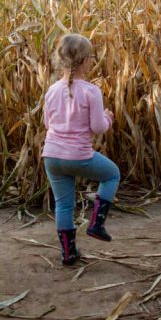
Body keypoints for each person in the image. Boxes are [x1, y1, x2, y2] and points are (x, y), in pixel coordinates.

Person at [41, 33, 120, 266]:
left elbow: (48, 124)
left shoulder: (52, 90)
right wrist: (108, 118)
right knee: (112, 174)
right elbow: (97, 127)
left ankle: (68, 253)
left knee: (64, 204)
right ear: (85, 61)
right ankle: (97, 224)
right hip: (78, 155)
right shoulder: (91, 91)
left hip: (52, 156)